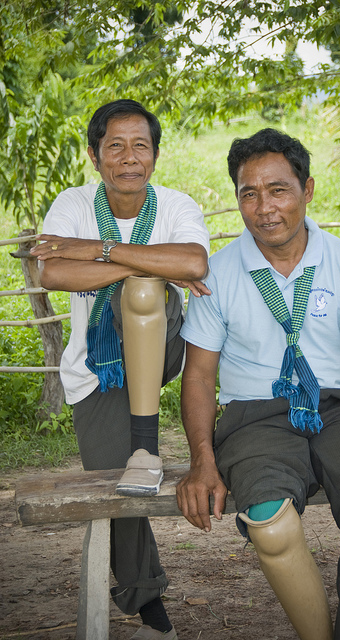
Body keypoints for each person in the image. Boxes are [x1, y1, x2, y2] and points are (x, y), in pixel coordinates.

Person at [176, 128, 340, 640]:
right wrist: (202, 458)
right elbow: (198, 375)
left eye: (279, 189)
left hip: (336, 409)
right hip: (254, 416)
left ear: (307, 190)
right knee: (269, 519)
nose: (264, 207)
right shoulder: (216, 274)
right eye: (249, 193)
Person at [30, 98, 210, 640]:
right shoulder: (72, 202)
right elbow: (53, 273)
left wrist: (99, 252)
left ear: (154, 154)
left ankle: (146, 442)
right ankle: (142, 592)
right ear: (94, 154)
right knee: (119, 488)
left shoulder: (177, 204)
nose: (129, 158)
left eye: (141, 146)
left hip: (166, 349)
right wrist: (146, 256)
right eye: (115, 146)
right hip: (98, 369)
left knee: (143, 286)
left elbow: (195, 264)